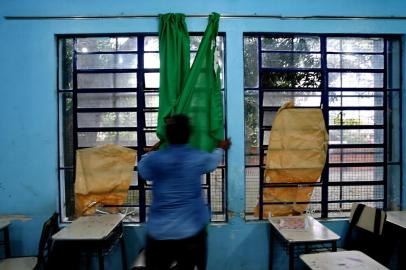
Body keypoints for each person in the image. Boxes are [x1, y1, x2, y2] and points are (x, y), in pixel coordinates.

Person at [138, 114, 230, 270]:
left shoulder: (156, 159)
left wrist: (152, 151)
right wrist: (221, 147)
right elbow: (212, 162)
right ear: (189, 134)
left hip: (159, 233)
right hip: (191, 233)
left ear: (167, 135)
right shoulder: (196, 157)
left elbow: (143, 171)